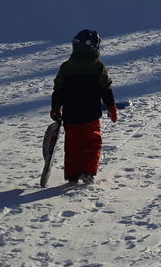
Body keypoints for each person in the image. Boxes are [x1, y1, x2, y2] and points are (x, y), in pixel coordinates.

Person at [50, 28, 119, 185]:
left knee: (72, 144)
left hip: (71, 115)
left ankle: (73, 174)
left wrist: (55, 107)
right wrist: (111, 106)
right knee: (92, 142)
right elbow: (105, 88)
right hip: (91, 114)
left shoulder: (66, 67)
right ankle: (87, 172)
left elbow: (58, 89)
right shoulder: (97, 66)